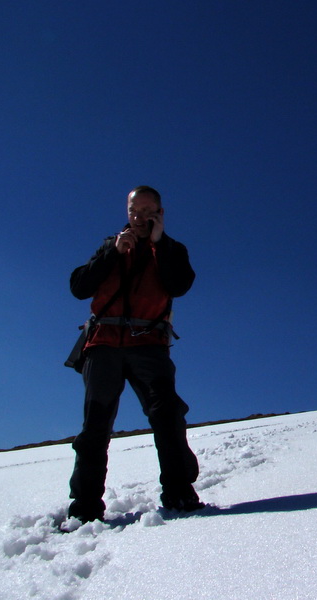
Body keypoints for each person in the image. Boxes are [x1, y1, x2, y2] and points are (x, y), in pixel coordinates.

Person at [66, 185, 202, 522]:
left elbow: (179, 285)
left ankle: (179, 493)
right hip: (103, 343)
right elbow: (79, 287)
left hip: (148, 345)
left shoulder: (172, 250)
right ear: (127, 213)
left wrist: (160, 244)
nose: (139, 217)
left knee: (167, 416)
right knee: (95, 426)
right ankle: (84, 509)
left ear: (160, 213)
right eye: (134, 211)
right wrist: (111, 253)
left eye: (147, 210)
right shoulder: (109, 247)